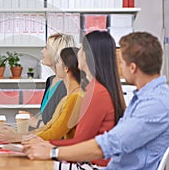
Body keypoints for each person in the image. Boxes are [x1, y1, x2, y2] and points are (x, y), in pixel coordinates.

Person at [25, 32, 169, 170]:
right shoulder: (145, 97)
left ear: (132, 68)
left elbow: (109, 144)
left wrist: (52, 151)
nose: (119, 67)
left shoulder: (154, 103)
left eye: (122, 62)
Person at [23, 31, 125, 168]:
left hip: (92, 165)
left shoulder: (97, 93)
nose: (78, 53)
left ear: (89, 55)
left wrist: (47, 146)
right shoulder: (95, 89)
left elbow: (80, 142)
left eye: (82, 49)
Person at [0, 47, 83, 142]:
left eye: (58, 62)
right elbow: (47, 127)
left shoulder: (76, 97)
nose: (56, 65)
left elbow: (55, 133)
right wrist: (17, 135)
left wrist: (16, 137)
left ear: (66, 69)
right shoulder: (68, 98)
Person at [21, 33, 76, 128]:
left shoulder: (67, 85)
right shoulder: (50, 80)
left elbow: (61, 127)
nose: (42, 51)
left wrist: (35, 122)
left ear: (56, 52)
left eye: (46, 48)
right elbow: (49, 119)